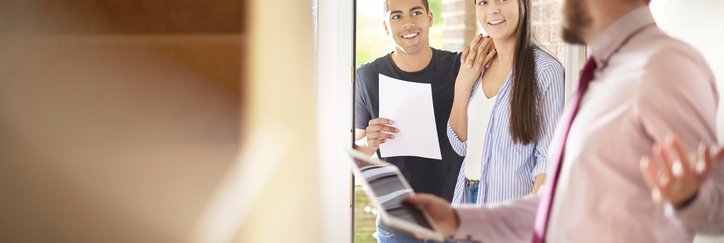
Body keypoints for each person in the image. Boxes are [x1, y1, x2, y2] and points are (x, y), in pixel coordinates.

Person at [406, 0, 723, 242]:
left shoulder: (663, 66)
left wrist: (690, 198)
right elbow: (553, 201)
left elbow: (715, 203)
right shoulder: (603, 73)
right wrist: (458, 218)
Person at [354, 0, 493, 241]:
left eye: (415, 13)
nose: (408, 23)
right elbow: (353, 151)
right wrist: (371, 141)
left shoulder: (458, 68)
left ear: (429, 18)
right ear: (386, 26)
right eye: (396, 16)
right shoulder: (367, 77)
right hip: (399, 224)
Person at [447, 0, 564, 206]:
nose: (493, 9)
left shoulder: (546, 72)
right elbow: (460, 145)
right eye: (483, 2)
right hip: (467, 199)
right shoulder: (477, 66)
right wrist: (461, 85)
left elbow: (549, 160)